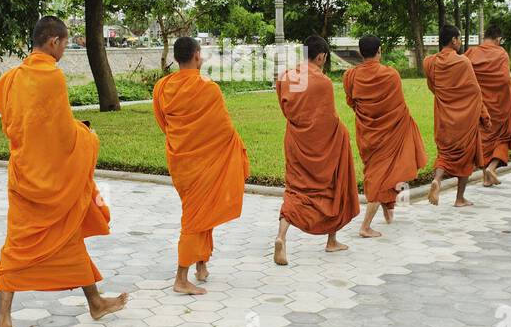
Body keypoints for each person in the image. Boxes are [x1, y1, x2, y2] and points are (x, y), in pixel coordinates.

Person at [0, 16, 128, 327]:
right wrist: (88, 136)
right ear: (53, 41)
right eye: (66, 43)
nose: (65, 49)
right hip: (51, 180)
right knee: (48, 240)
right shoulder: (51, 75)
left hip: (24, 176)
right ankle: (4, 325)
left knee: (36, 243)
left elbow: (18, 127)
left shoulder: (9, 80)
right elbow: (63, 135)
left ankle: (91, 303)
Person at [153, 36, 250, 295]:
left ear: (175, 57)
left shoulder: (161, 87)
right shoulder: (209, 88)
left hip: (180, 160)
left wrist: (184, 140)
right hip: (203, 161)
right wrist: (236, 148)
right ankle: (181, 279)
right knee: (195, 216)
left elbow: (163, 123)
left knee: (201, 209)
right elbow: (224, 129)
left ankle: (201, 265)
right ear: (197, 55)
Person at [274, 36, 360, 264]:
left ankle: (281, 236)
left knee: (295, 189)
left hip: (295, 142)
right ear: (321, 56)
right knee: (333, 186)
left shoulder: (286, 77)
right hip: (325, 145)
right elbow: (328, 118)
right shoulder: (323, 83)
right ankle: (331, 241)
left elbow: (286, 109)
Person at [342, 35, 427, 237]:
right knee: (383, 176)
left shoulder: (350, 76)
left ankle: (389, 213)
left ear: (361, 53)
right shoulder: (391, 75)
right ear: (379, 51)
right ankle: (365, 226)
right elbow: (397, 103)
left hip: (368, 133)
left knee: (385, 172)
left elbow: (351, 102)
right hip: (392, 130)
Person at [423, 24, 489, 205]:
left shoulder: (430, 62)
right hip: (465, 118)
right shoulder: (462, 62)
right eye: (459, 38)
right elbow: (475, 92)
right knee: (466, 155)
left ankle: (437, 180)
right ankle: (459, 198)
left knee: (444, 153)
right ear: (453, 40)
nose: (460, 42)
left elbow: (433, 87)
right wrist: (483, 115)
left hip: (443, 116)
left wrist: (446, 99)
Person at [468, 25, 511, 186]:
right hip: (500, 105)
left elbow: (465, 76)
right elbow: (505, 80)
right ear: (498, 39)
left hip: (479, 105)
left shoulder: (471, 53)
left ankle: (486, 178)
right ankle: (492, 168)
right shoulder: (501, 54)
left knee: (483, 140)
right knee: (502, 137)